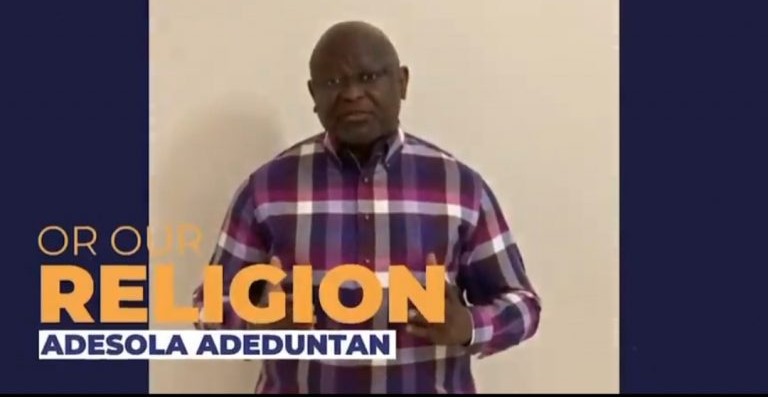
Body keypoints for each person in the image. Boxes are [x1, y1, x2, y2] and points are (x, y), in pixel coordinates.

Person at [193, 20, 541, 393]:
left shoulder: (459, 187)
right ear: (313, 95)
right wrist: (256, 325)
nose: (352, 94)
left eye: (369, 77)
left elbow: (522, 305)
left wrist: (469, 326)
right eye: (333, 82)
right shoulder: (267, 189)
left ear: (402, 82)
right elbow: (207, 307)